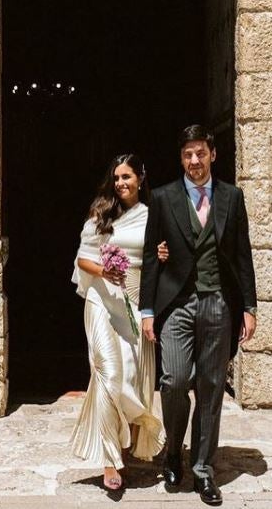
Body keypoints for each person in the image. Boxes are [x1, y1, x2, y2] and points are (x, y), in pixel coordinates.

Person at [139, 125, 257, 505]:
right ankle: (174, 450)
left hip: (219, 304)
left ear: (213, 155)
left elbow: (242, 254)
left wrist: (250, 307)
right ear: (181, 158)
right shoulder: (162, 197)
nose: (194, 161)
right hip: (176, 304)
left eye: (201, 153)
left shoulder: (232, 198)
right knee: (173, 380)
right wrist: (147, 309)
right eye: (188, 154)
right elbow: (149, 257)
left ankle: (203, 470)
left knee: (210, 388)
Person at [71, 154, 167, 490]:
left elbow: (159, 253)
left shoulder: (152, 215)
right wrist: (104, 270)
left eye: (127, 177)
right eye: (116, 178)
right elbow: (83, 259)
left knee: (133, 373)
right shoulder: (101, 213)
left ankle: (128, 436)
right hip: (101, 299)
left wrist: (162, 254)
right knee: (108, 372)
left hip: (136, 299)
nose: (121, 183)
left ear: (140, 178)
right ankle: (110, 459)